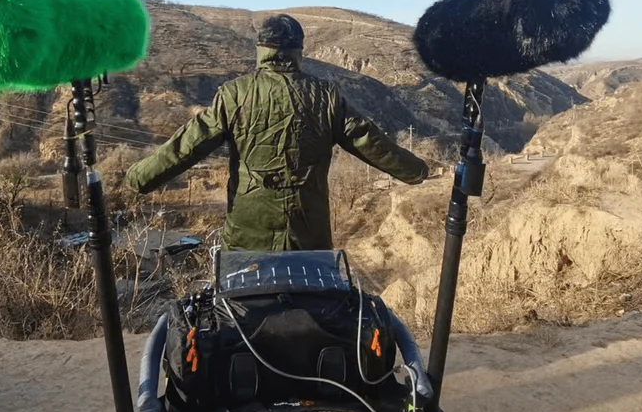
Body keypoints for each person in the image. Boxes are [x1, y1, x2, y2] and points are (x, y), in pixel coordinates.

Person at [124, 14, 429, 251]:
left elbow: (186, 146)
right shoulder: (326, 96)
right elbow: (370, 141)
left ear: (261, 50)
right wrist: (416, 171)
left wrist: (139, 177)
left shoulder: (234, 94)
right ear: (298, 52)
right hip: (309, 239)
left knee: (241, 310)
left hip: (247, 239)